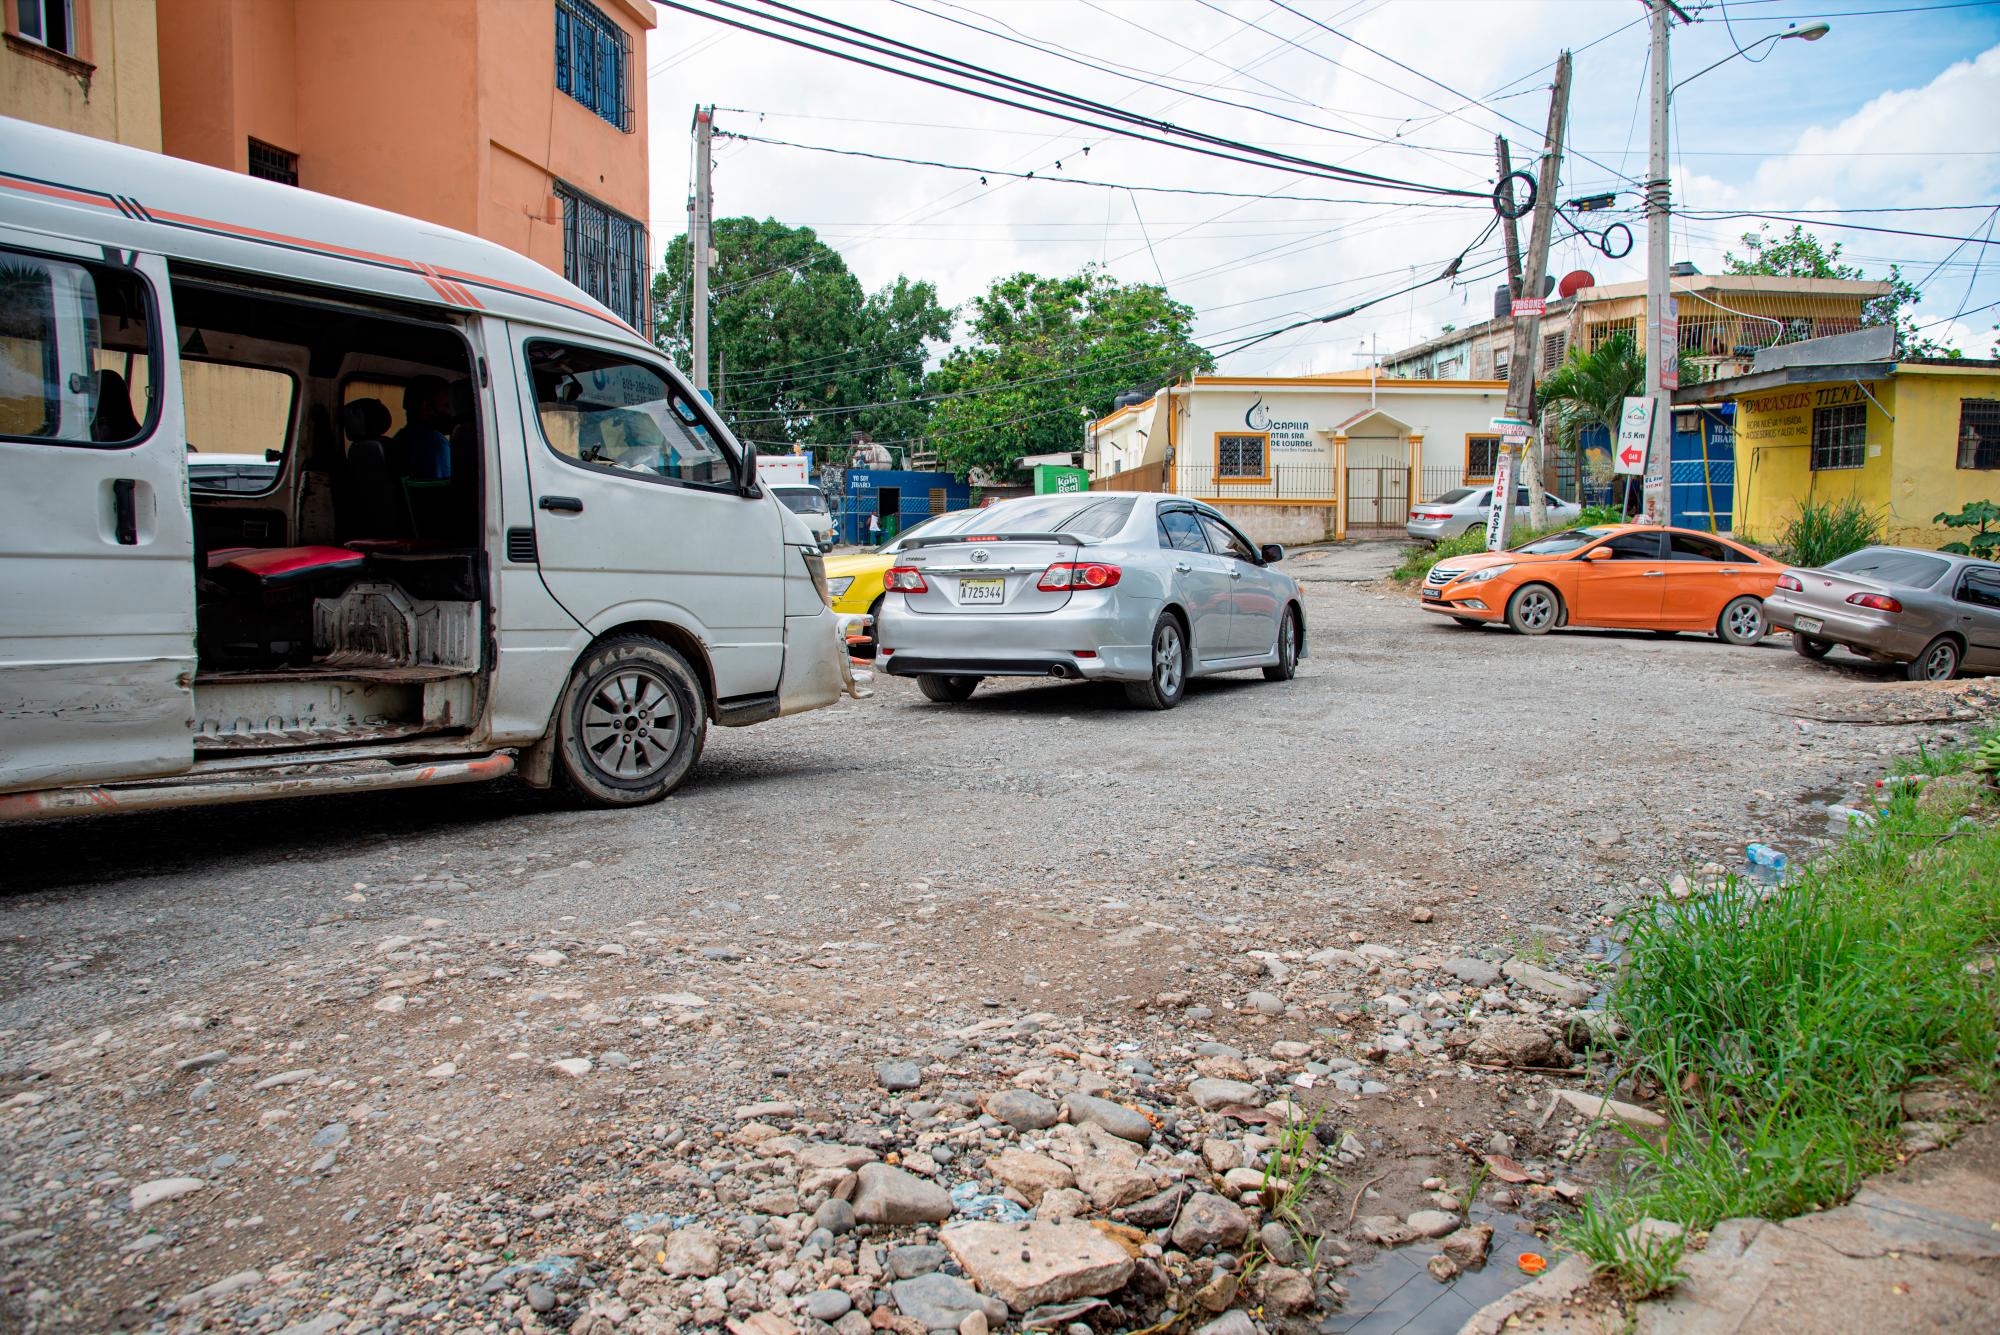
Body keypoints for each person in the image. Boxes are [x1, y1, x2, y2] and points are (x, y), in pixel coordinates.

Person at [396, 375, 454, 480]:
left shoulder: (400, 438)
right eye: (446, 406)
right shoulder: (437, 444)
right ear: (426, 406)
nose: (451, 413)